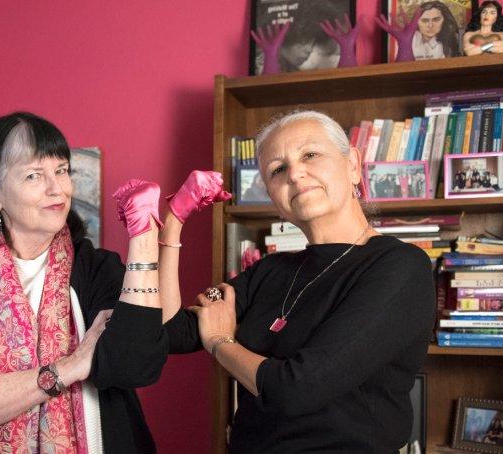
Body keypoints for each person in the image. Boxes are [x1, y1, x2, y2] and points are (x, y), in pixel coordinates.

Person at [158, 110, 435, 452]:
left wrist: (219, 342)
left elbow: (298, 389)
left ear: (352, 165)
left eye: (310, 155)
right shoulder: (268, 271)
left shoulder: (400, 267)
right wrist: (173, 222)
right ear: (273, 199)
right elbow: (170, 331)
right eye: (277, 169)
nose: (295, 174)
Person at [0, 112, 168, 453]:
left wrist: (144, 236)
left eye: (62, 170)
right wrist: (69, 367)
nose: (57, 189)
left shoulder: (96, 269)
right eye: (34, 175)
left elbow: (136, 364)